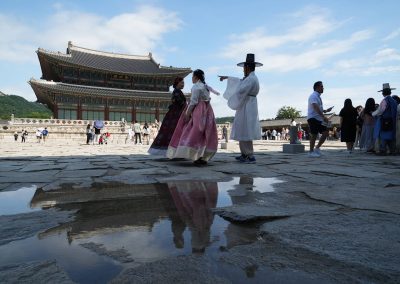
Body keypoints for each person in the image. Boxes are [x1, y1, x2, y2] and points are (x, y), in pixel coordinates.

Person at [167, 69, 218, 165]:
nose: (192, 79)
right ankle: (203, 156)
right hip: (208, 111)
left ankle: (194, 154)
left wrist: (187, 113)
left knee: (194, 132)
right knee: (205, 133)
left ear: (196, 77)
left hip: (199, 110)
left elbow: (194, 102)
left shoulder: (196, 87)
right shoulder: (205, 86)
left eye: (192, 77)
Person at [219, 54, 262, 163]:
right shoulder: (251, 78)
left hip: (247, 106)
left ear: (247, 67)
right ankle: (244, 153)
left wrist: (233, 97)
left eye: (244, 68)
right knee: (243, 129)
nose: (243, 70)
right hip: (247, 105)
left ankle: (249, 155)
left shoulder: (251, 79)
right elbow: (240, 82)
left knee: (246, 130)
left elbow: (241, 90)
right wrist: (228, 77)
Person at [149, 78, 187, 155]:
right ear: (177, 83)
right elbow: (180, 102)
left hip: (175, 114)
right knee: (174, 131)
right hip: (176, 115)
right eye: (181, 82)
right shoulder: (176, 92)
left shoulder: (178, 92)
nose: (183, 84)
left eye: (183, 83)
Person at [307, 81, 333, 157]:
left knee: (325, 133)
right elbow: (315, 107)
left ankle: (317, 148)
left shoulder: (318, 97)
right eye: (321, 86)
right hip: (313, 118)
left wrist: (326, 111)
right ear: (317, 87)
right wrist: (323, 116)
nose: (323, 88)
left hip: (318, 118)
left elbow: (319, 108)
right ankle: (311, 152)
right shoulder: (313, 96)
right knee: (314, 135)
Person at [372, 83, 397, 155]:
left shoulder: (384, 101)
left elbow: (380, 111)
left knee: (383, 135)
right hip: (392, 120)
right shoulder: (394, 101)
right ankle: (392, 150)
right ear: (390, 92)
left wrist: (373, 114)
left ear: (383, 93)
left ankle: (383, 149)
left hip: (385, 120)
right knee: (391, 135)